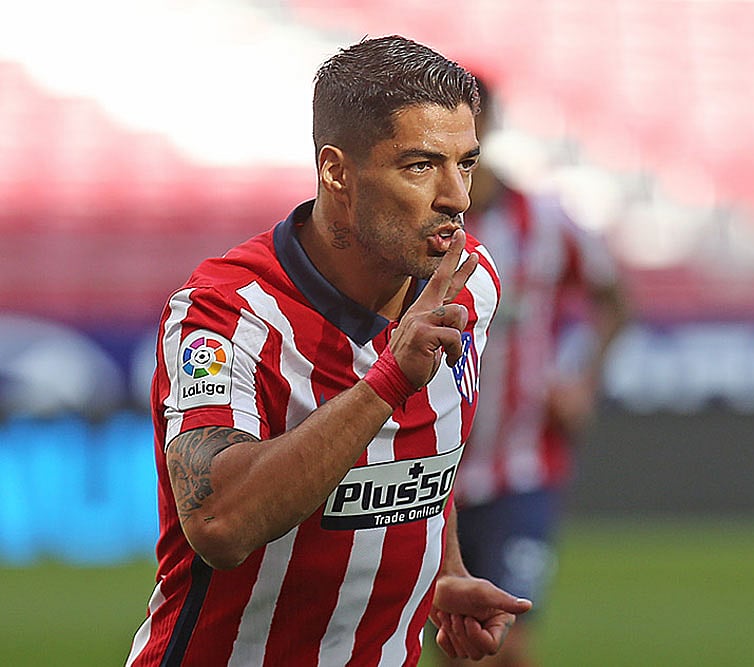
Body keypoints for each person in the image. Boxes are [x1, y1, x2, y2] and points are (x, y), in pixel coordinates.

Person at [125, 35, 532, 667]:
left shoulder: (470, 281)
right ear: (336, 172)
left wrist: (443, 568)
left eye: (467, 164)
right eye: (420, 166)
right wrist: (388, 381)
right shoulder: (228, 314)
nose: (457, 196)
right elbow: (219, 525)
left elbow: (427, 452)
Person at [436, 78, 628, 666]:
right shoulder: (416, 227)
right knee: (452, 642)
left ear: (488, 126)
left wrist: (582, 380)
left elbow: (614, 299)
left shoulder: (543, 220)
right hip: (431, 470)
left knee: (505, 641)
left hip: (522, 465)